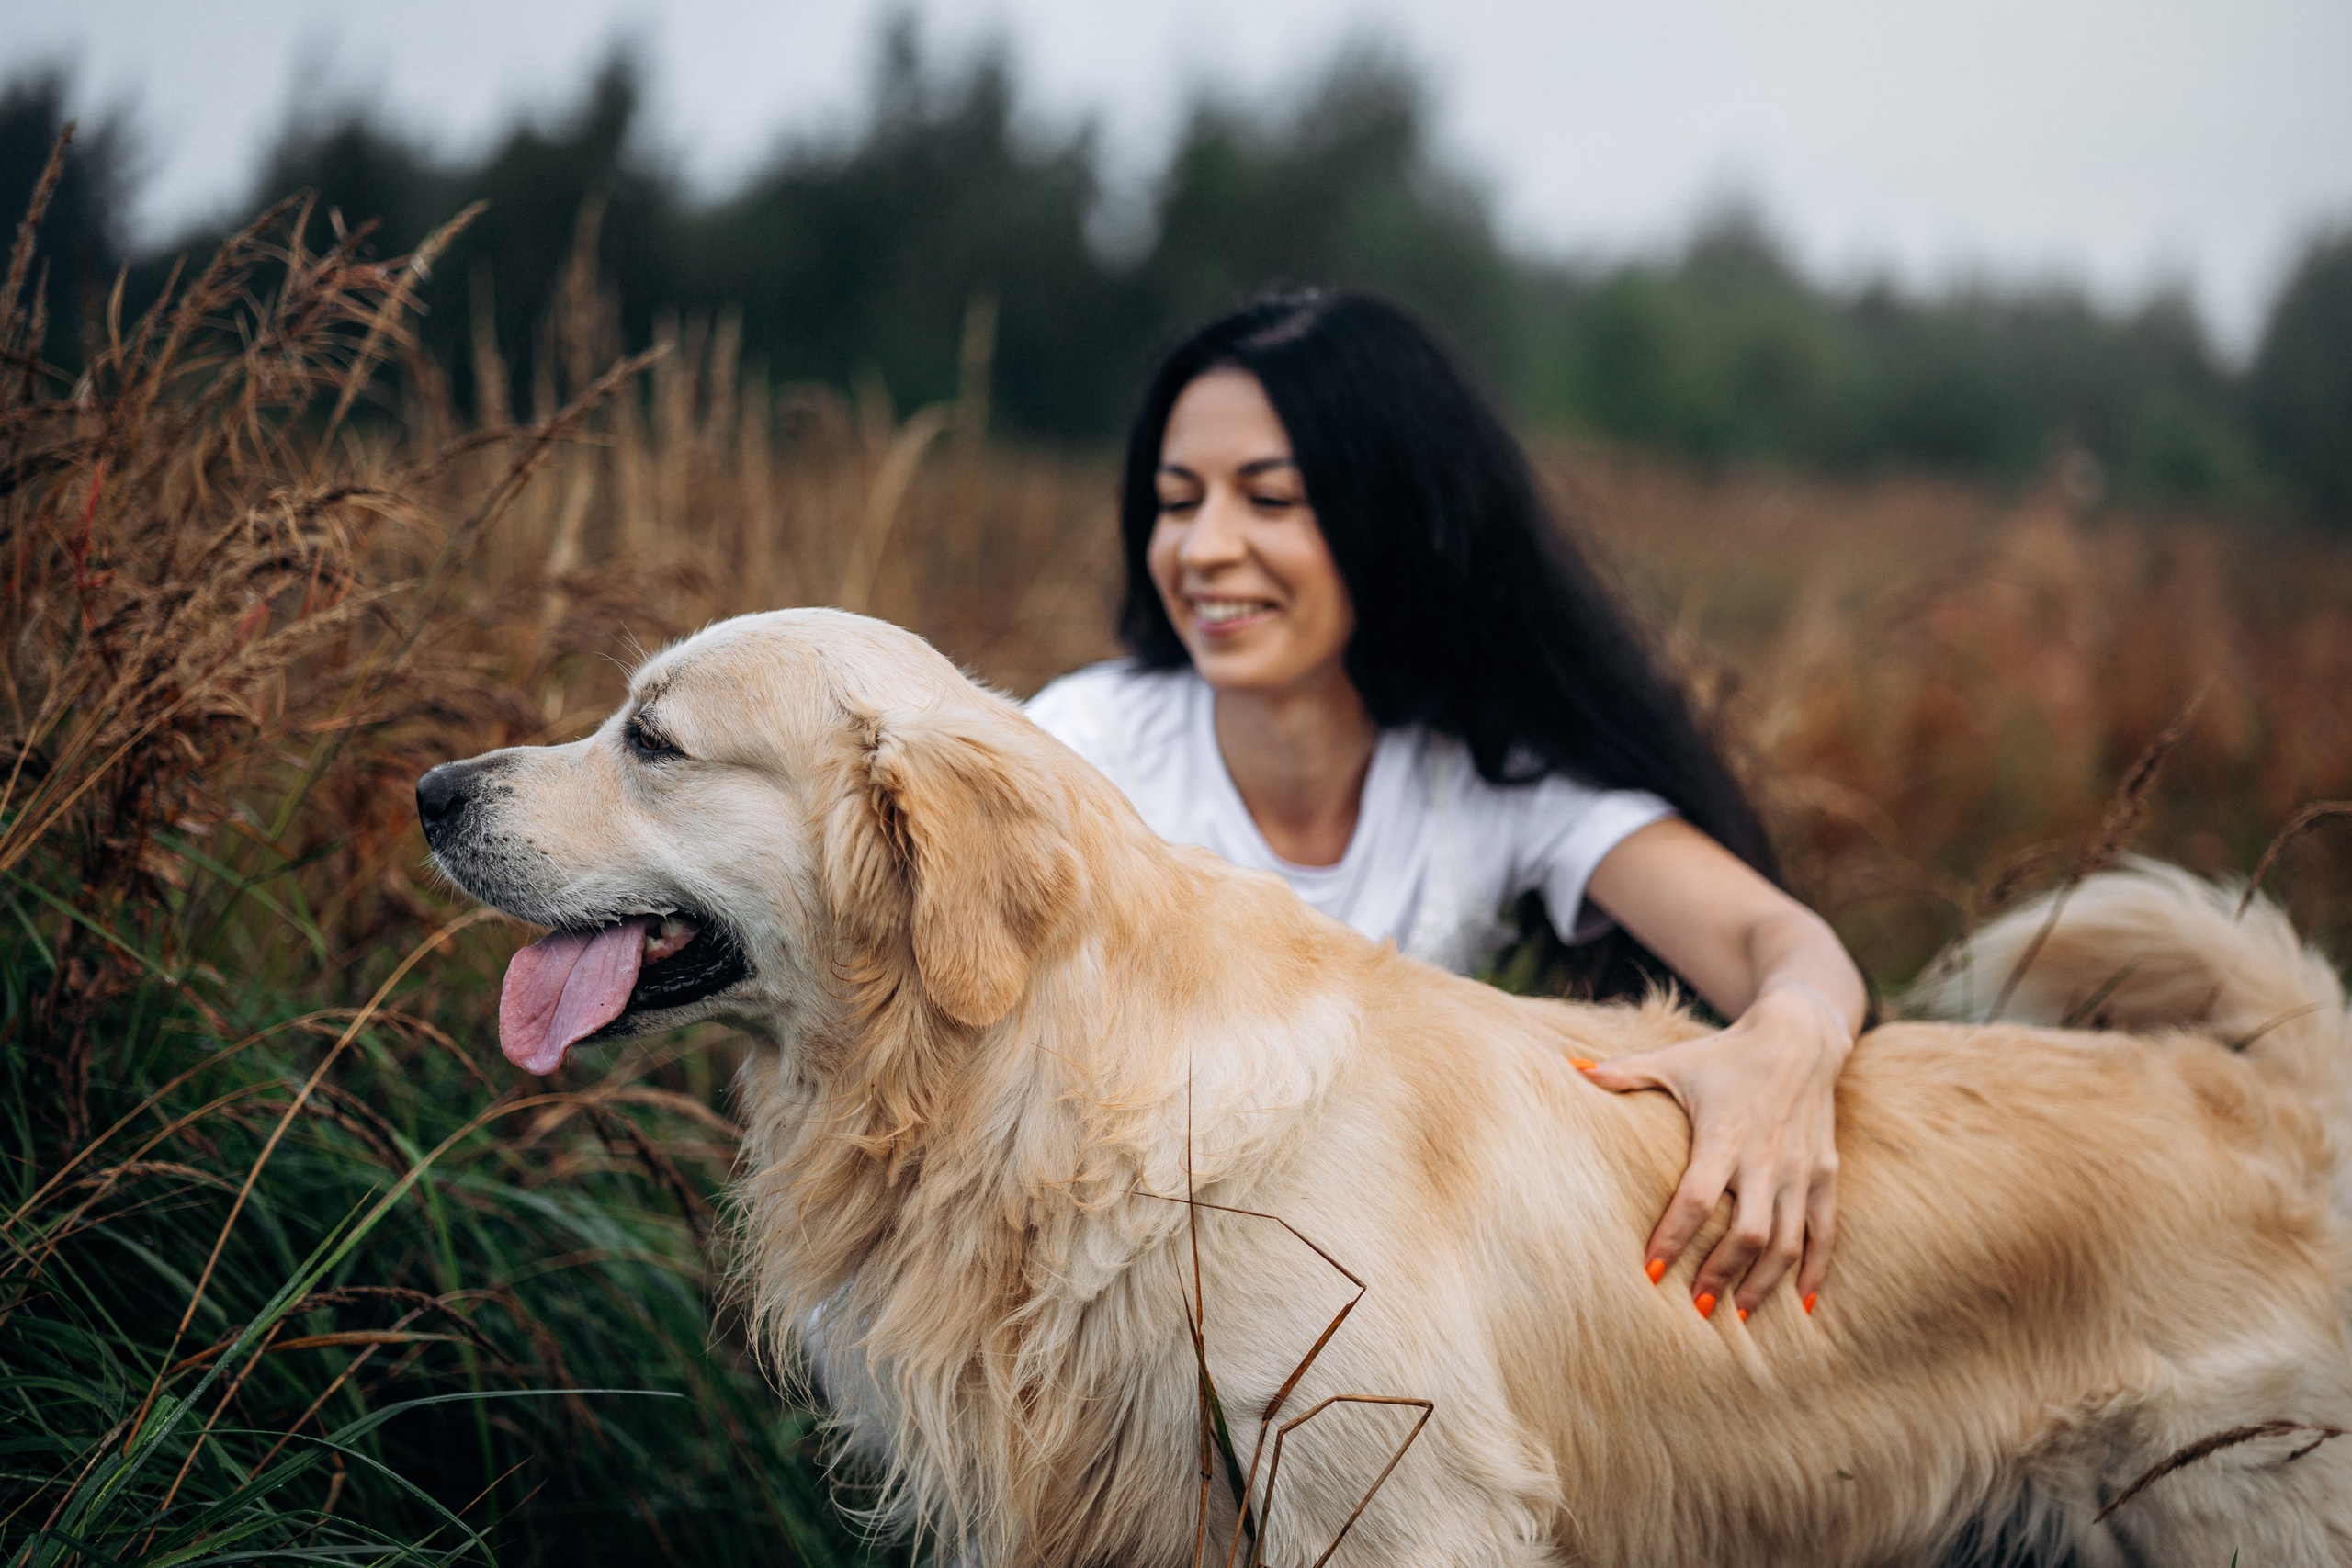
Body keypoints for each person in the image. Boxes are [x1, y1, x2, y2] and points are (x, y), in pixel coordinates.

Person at [1024, 288, 1867, 1322]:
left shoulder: (1484, 777)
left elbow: (1772, 938)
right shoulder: (1078, 751)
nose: (1202, 549)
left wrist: (1790, 1044)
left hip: (1385, 1322)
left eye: (1269, 499)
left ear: (1393, 514)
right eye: (1177, 498)